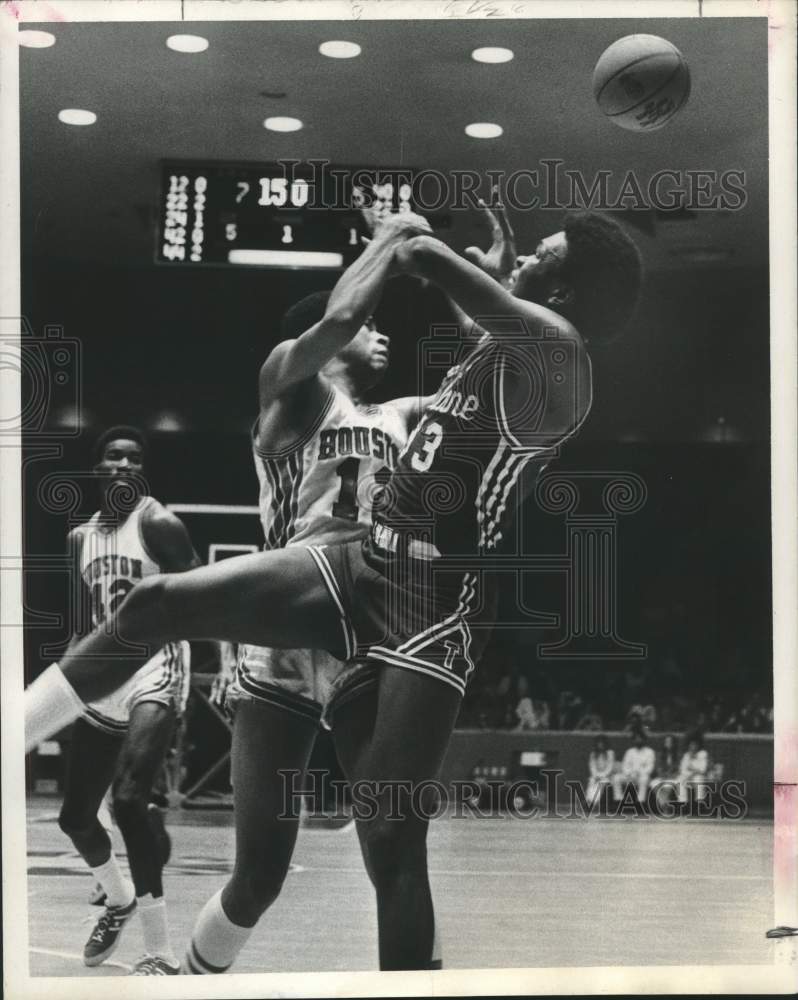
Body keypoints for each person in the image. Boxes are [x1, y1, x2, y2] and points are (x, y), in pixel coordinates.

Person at [25, 202, 642, 969]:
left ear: (569, 292)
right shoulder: (339, 381)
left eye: (542, 256)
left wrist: (402, 230)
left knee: (389, 834)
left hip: (428, 601)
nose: (523, 260)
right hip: (346, 567)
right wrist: (486, 277)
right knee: (156, 613)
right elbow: (461, 321)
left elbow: (446, 283)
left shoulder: (556, 351)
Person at [184, 271, 438, 974]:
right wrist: (389, 245)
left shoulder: (401, 415)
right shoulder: (294, 393)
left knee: (394, 851)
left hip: (364, 637)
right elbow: (340, 316)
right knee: (259, 875)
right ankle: (190, 979)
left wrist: (491, 289)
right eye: (369, 322)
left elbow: (477, 393)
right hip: (285, 633)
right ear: (326, 335)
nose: (381, 330)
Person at [51, 426, 208, 975]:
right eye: (113, 456)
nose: (123, 464)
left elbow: (204, 598)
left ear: (142, 471)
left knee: (129, 799)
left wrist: (231, 663)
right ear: (97, 468)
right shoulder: (79, 539)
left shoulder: (158, 524)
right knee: (74, 818)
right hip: (104, 672)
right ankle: (116, 900)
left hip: (156, 665)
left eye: (133, 458)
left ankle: (160, 952)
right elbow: (79, 625)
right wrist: (61, 693)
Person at [612, 728, 656, 805]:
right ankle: (619, 801)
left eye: (640, 738)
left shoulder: (650, 752)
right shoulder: (629, 751)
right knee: (616, 778)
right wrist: (630, 774)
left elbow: (650, 767)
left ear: (644, 739)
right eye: (636, 738)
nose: (638, 740)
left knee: (644, 779)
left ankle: (640, 802)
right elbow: (625, 766)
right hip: (630, 776)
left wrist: (638, 773)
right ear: (633, 740)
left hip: (642, 776)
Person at [586, 735, 615, 807]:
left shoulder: (610, 753)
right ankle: (588, 800)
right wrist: (596, 776)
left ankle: (594, 803)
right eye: (598, 743)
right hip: (596, 776)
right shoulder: (593, 754)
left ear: (605, 744)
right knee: (591, 781)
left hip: (608, 777)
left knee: (601, 783)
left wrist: (601, 776)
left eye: (602, 743)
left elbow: (610, 768)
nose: (600, 745)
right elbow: (592, 767)